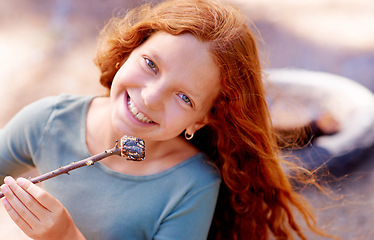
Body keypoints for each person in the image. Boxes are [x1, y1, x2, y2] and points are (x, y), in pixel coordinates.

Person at [0, 0, 334, 239]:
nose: (151, 97)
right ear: (127, 51)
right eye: (150, 64)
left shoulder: (193, 186)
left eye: (184, 97)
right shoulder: (48, 120)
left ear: (200, 121)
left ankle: (314, 127)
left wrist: (66, 237)